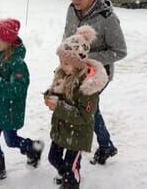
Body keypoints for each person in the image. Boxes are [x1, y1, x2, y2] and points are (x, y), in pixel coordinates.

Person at [63, 0, 127, 165]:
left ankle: (73, 160)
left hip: (99, 74)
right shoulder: (72, 9)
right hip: (76, 69)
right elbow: (67, 36)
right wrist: (65, 57)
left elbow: (120, 51)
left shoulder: (107, 18)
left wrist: (87, 58)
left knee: (84, 108)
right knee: (90, 108)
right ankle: (106, 146)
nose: (74, 0)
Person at [0, 18, 44, 186]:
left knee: (11, 141)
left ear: (8, 41)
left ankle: (32, 147)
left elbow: (18, 89)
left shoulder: (18, 64)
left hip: (9, 110)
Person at [45, 25, 109, 189]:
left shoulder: (88, 87)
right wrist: (50, 94)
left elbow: (84, 116)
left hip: (78, 134)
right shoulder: (63, 74)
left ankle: (72, 182)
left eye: (66, 62)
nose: (61, 65)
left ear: (78, 64)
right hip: (62, 129)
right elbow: (59, 94)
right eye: (60, 61)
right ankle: (68, 173)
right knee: (53, 158)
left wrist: (58, 106)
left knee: (70, 165)